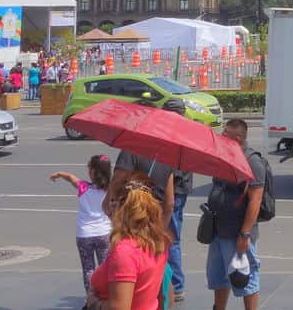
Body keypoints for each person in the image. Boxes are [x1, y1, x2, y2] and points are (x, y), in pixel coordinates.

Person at [109, 99, 190, 305]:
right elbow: (170, 201)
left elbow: (115, 184)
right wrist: (160, 226)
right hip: (155, 223)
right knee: (156, 273)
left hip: (133, 225)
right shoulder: (168, 152)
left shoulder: (130, 150)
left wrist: (111, 209)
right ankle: (174, 286)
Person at [88, 173, 171, 310]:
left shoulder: (125, 251)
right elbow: (162, 294)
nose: (109, 209)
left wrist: (95, 303)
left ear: (122, 207)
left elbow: (119, 307)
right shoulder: (158, 242)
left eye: (112, 201)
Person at [207, 119, 264, 310]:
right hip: (218, 229)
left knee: (245, 278)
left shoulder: (252, 161)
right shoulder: (225, 157)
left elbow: (255, 200)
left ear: (237, 138)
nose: (221, 137)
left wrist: (245, 234)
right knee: (219, 277)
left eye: (226, 134)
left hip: (237, 233)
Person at [51, 154, 113, 297]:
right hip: (104, 234)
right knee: (105, 267)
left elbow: (71, 178)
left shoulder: (83, 187)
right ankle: (106, 296)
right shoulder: (110, 189)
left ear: (92, 172)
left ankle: (90, 298)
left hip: (84, 235)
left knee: (88, 269)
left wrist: (60, 174)